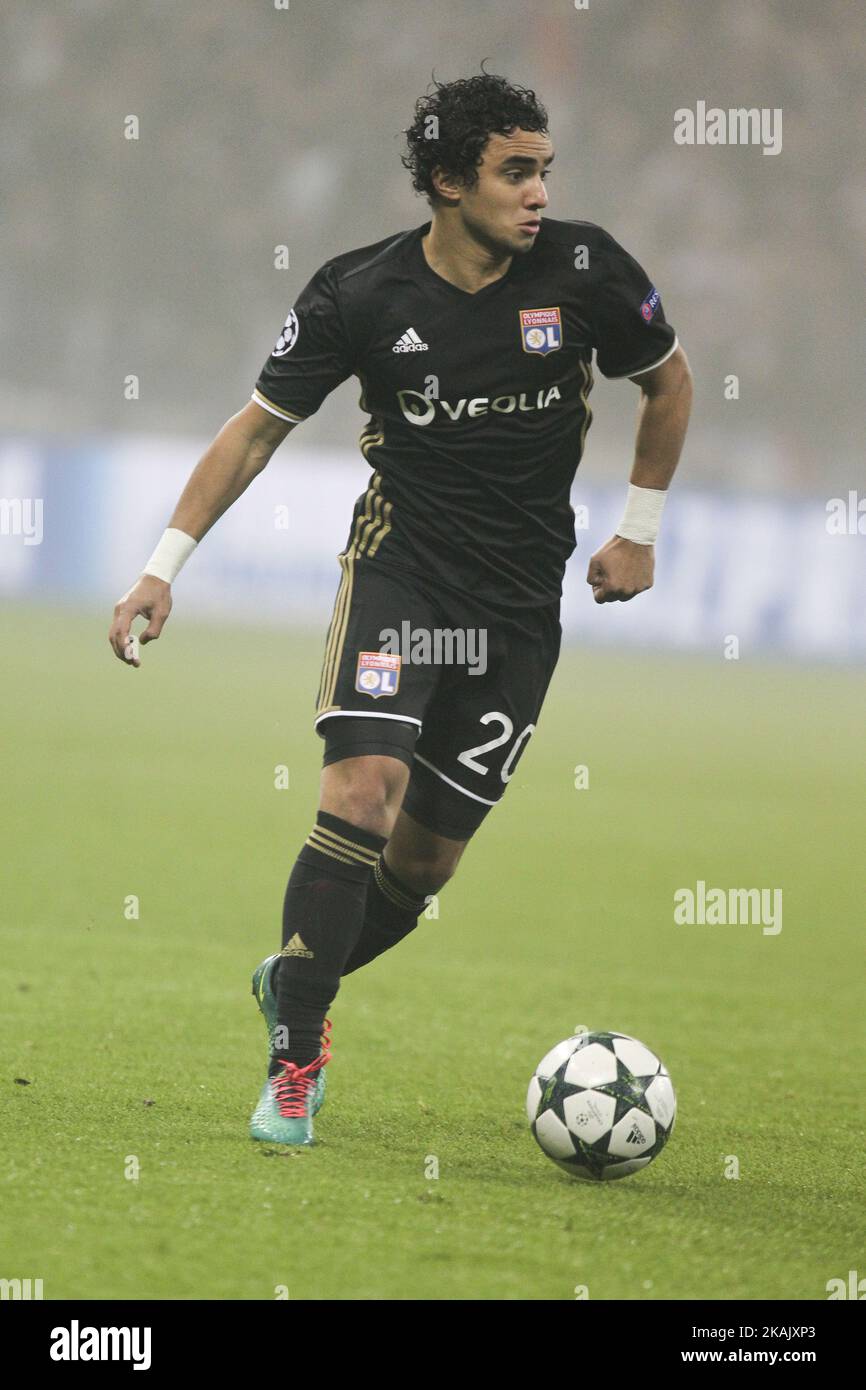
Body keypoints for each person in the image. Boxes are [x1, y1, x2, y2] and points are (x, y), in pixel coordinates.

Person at [108, 73, 693, 1147]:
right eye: (513, 171)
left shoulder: (584, 268)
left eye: (542, 170)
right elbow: (253, 431)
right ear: (444, 181)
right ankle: (296, 1058)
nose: (536, 192)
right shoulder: (358, 295)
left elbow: (667, 382)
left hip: (517, 607)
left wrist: (637, 528)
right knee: (361, 791)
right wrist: (161, 565)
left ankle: (294, 975)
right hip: (401, 577)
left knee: (421, 867)